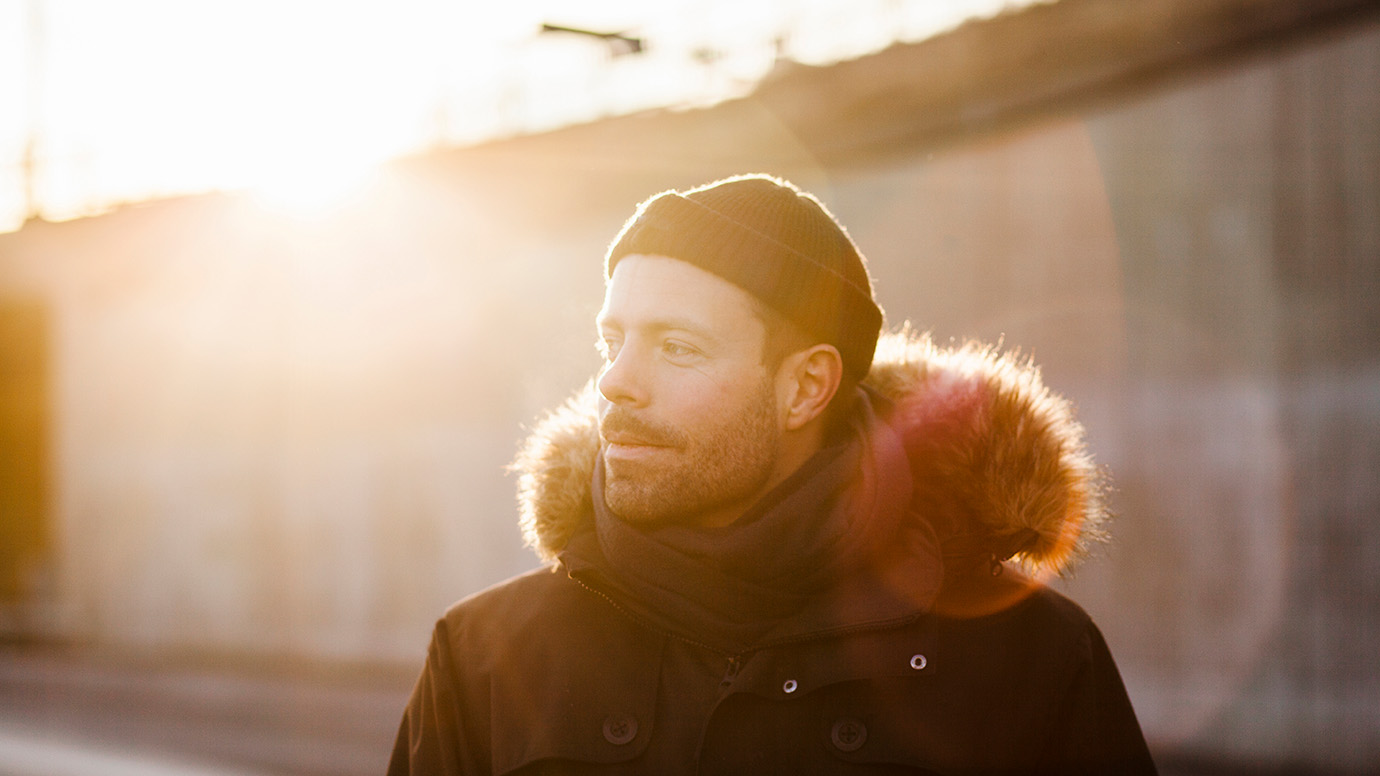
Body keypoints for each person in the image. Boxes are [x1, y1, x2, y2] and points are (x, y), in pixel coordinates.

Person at [387, 174, 1156, 774]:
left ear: (805, 388)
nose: (615, 383)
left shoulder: (1030, 660)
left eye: (677, 347)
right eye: (612, 341)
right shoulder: (485, 659)